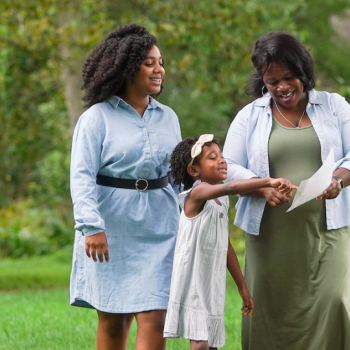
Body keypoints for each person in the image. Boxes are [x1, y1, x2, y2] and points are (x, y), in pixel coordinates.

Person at [223, 31, 350, 350]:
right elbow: (227, 166)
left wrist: (338, 180)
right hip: (269, 235)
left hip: (327, 230)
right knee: (269, 310)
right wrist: (262, 186)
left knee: (335, 301)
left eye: (288, 77)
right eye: (271, 81)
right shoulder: (251, 116)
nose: (281, 87)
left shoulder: (334, 107)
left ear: (303, 72)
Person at [69, 24, 182, 350]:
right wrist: (91, 226)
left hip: (160, 226)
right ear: (126, 66)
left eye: (160, 62)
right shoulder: (96, 118)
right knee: (114, 321)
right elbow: (81, 176)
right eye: (150, 63)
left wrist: (196, 206)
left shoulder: (169, 117)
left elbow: (177, 175)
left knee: (156, 318)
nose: (159, 69)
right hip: (111, 227)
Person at [163, 134, 296, 350]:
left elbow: (226, 247)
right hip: (193, 277)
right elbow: (231, 187)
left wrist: (242, 288)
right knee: (200, 342)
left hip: (211, 279)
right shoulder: (197, 193)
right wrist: (268, 181)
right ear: (194, 171)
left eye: (222, 156)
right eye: (212, 158)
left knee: (211, 340)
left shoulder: (221, 201)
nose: (222, 161)